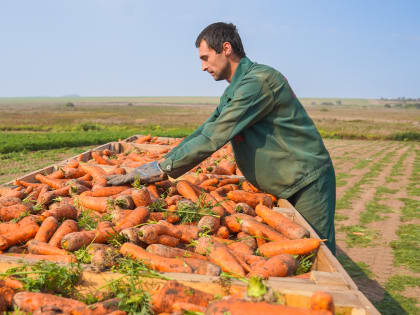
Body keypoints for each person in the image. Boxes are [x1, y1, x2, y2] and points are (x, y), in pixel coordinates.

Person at [107, 22, 336, 254]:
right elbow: (205, 130)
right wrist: (155, 166)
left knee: (316, 251)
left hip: (306, 181)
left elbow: (214, 137)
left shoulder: (257, 83)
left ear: (226, 48)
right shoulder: (236, 89)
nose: (203, 67)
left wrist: (161, 168)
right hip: (287, 181)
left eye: (205, 58)